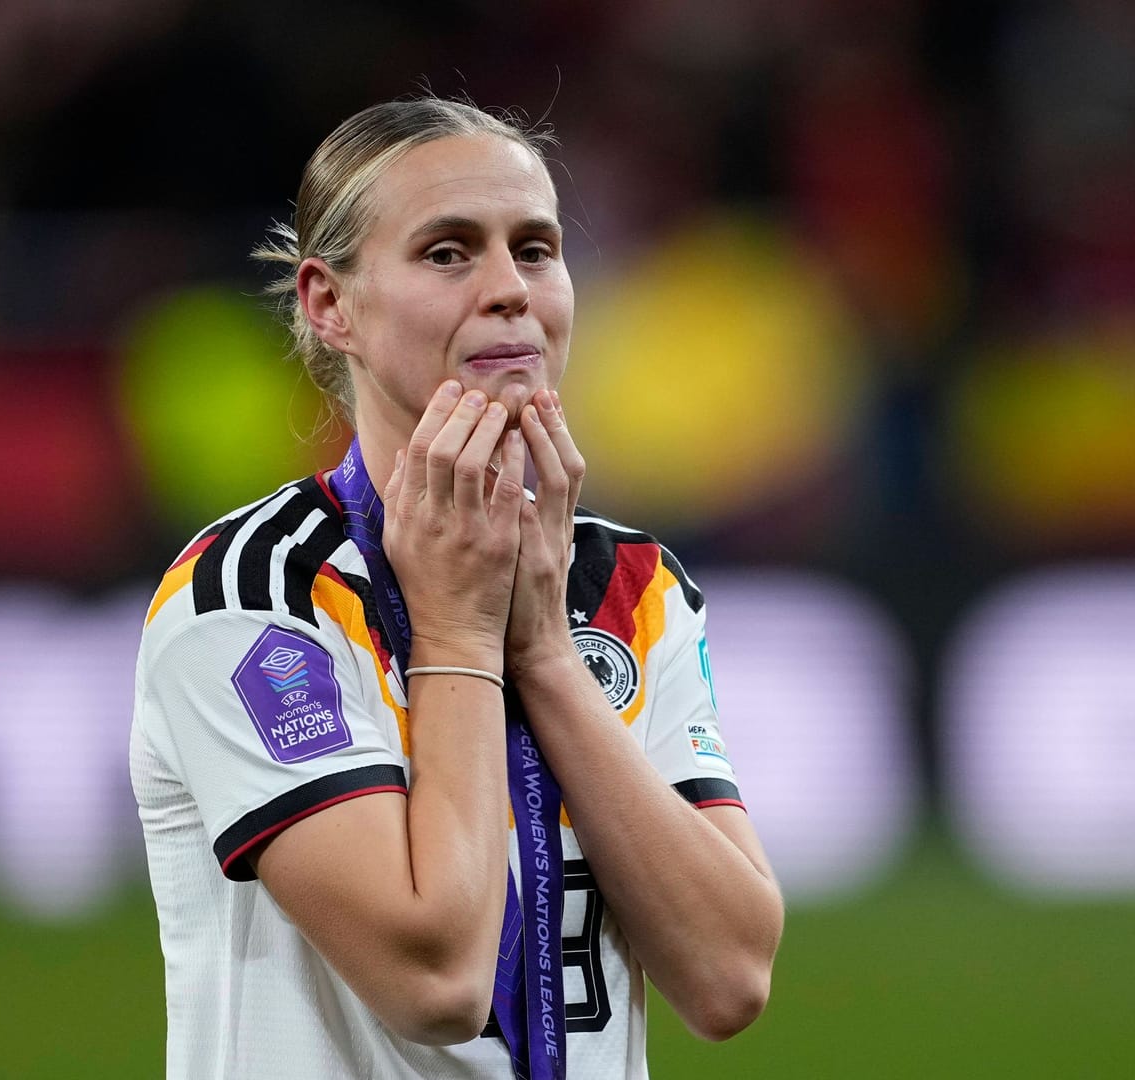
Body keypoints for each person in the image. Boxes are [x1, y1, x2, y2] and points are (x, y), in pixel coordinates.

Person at [130, 96, 782, 1079]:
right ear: (328, 304)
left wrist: (548, 658)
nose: (510, 289)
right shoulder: (254, 601)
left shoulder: (630, 588)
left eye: (535, 248)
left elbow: (730, 979)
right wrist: (461, 635)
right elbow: (434, 983)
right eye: (447, 252)